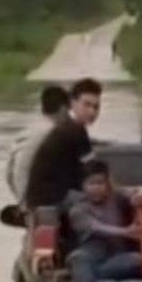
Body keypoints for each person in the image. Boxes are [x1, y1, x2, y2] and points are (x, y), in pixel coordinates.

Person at [64, 160, 142, 282]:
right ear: (83, 186)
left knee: (138, 260)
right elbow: (96, 227)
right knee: (77, 257)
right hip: (92, 252)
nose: (96, 188)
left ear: (107, 184)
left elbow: (136, 191)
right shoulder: (78, 210)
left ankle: (82, 278)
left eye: (100, 183)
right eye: (91, 183)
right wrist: (125, 232)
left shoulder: (116, 197)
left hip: (116, 256)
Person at [23, 78, 103, 210]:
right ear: (72, 103)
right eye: (86, 105)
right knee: (102, 198)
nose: (92, 112)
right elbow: (94, 172)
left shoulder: (67, 127)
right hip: (50, 201)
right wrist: (129, 192)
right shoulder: (75, 129)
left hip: (41, 200)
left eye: (96, 107)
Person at [6, 85, 70, 202]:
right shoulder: (56, 133)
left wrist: (20, 200)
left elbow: (9, 177)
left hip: (23, 201)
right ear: (63, 109)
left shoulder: (25, 133)